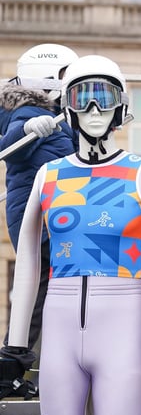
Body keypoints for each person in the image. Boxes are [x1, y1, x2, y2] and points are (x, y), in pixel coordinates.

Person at [0, 55, 141, 415]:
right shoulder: (49, 175)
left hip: (122, 329)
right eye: (81, 97)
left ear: (121, 107)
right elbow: (27, 258)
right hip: (60, 331)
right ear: (67, 107)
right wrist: (18, 338)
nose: (93, 109)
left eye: (104, 97)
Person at [0, 44, 78, 352]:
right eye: (66, 75)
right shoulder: (27, 113)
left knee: (42, 289)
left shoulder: (58, 115)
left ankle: (16, 357)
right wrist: (27, 129)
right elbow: (10, 149)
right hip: (37, 217)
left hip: (54, 214)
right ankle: (13, 358)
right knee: (37, 290)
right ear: (47, 77)